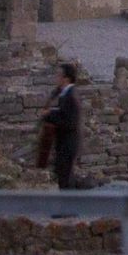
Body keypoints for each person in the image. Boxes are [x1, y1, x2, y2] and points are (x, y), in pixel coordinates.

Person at [41, 62, 81, 190]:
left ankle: (67, 209)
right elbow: (62, 113)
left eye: (59, 75)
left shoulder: (71, 97)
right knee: (63, 179)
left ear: (66, 78)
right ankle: (64, 209)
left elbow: (70, 122)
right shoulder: (64, 94)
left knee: (66, 181)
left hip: (68, 144)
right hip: (63, 144)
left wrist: (49, 115)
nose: (56, 78)